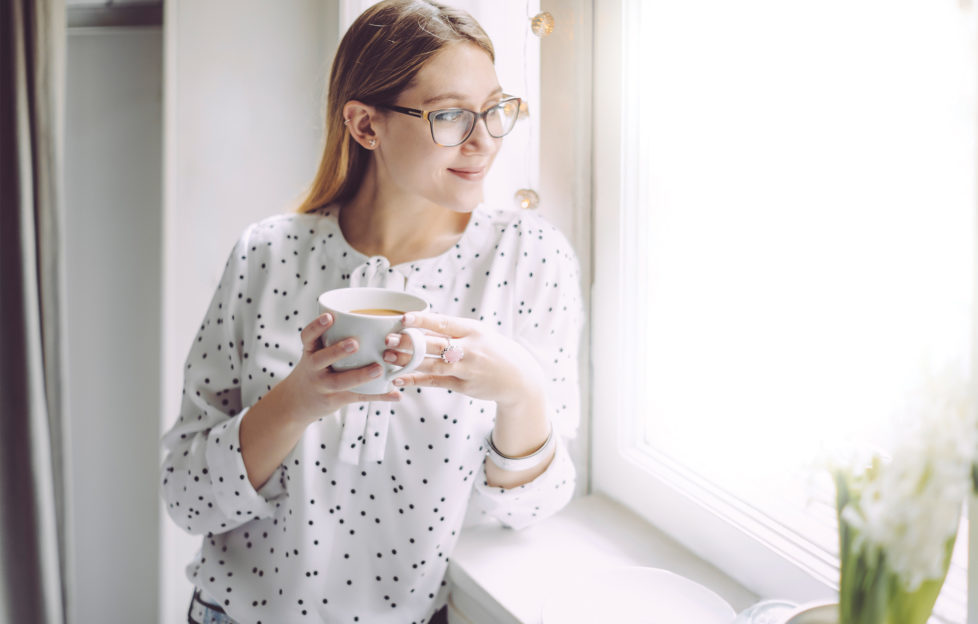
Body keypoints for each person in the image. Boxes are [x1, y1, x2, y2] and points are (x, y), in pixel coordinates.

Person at [160, 1, 583, 622]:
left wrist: (520, 390)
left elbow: (529, 510)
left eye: (495, 109)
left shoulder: (529, 258)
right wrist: (295, 402)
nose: (484, 139)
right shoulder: (269, 254)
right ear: (364, 125)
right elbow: (187, 499)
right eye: (449, 116)